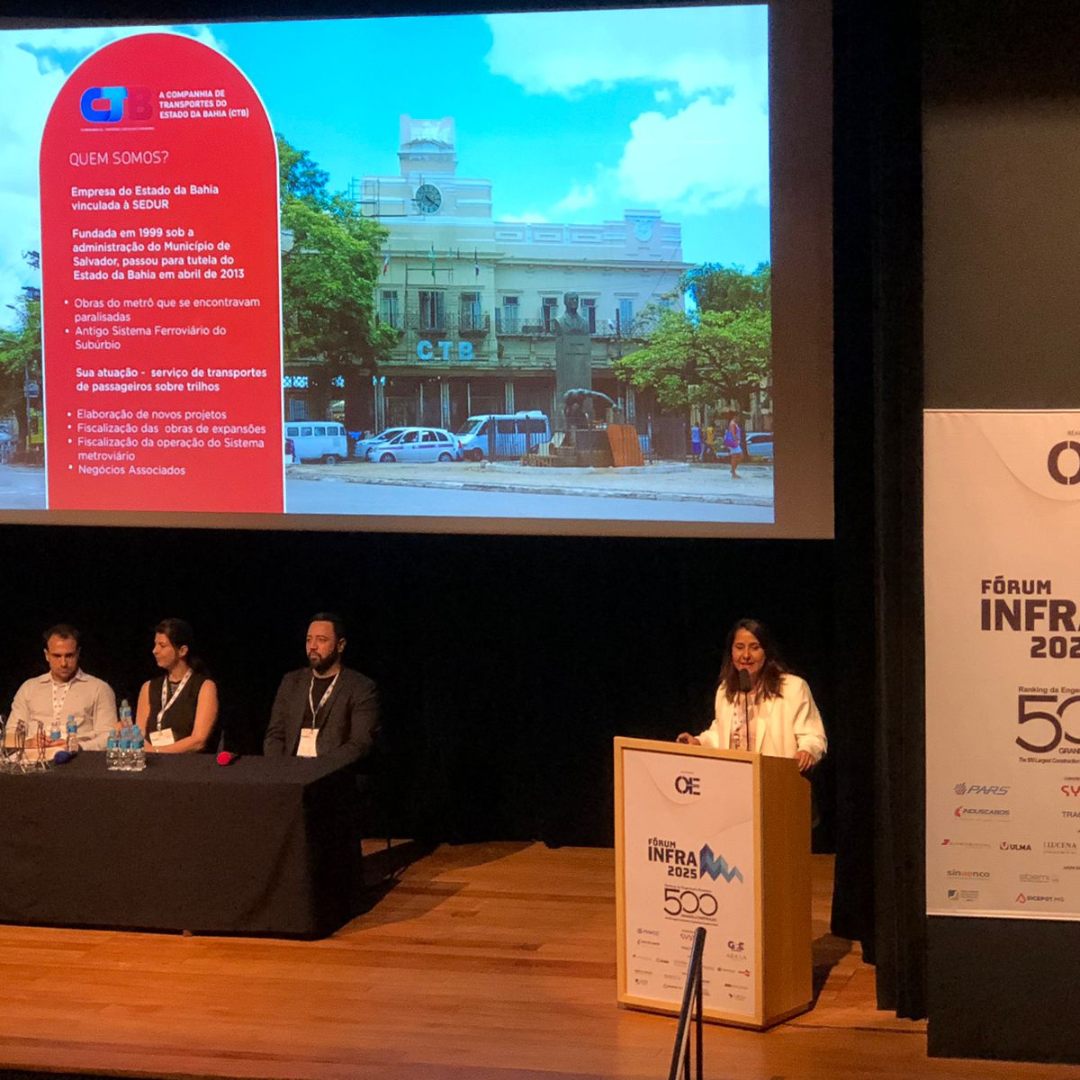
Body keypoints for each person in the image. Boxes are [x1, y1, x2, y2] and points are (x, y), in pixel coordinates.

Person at [677, 618, 826, 773]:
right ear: (731, 652)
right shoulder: (725, 690)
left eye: (754, 648)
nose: (746, 655)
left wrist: (807, 751)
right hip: (732, 778)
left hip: (776, 778)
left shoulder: (792, 688)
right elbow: (720, 734)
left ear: (766, 652)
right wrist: (699, 742)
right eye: (739, 647)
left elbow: (813, 736)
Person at [264, 613, 379, 762]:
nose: (312, 646)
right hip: (291, 770)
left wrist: (319, 769)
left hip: (333, 771)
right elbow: (275, 735)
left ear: (340, 645)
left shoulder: (360, 687)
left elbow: (360, 743)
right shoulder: (291, 682)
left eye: (321, 640)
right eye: (308, 639)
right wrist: (280, 767)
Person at [8, 624, 117, 749]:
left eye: (69, 656)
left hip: (80, 757)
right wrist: (28, 743)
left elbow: (109, 735)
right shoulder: (29, 688)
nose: (63, 663)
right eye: (57, 656)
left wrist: (77, 746)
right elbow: (10, 734)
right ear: (47, 655)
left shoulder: (99, 688)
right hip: (33, 757)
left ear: (78, 654)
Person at [134, 618, 219, 753]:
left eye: (162, 646)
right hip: (152, 762)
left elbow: (198, 740)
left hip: (188, 762)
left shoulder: (204, 687)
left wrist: (158, 751)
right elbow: (139, 733)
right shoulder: (149, 687)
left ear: (182, 651)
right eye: (155, 645)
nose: (155, 651)